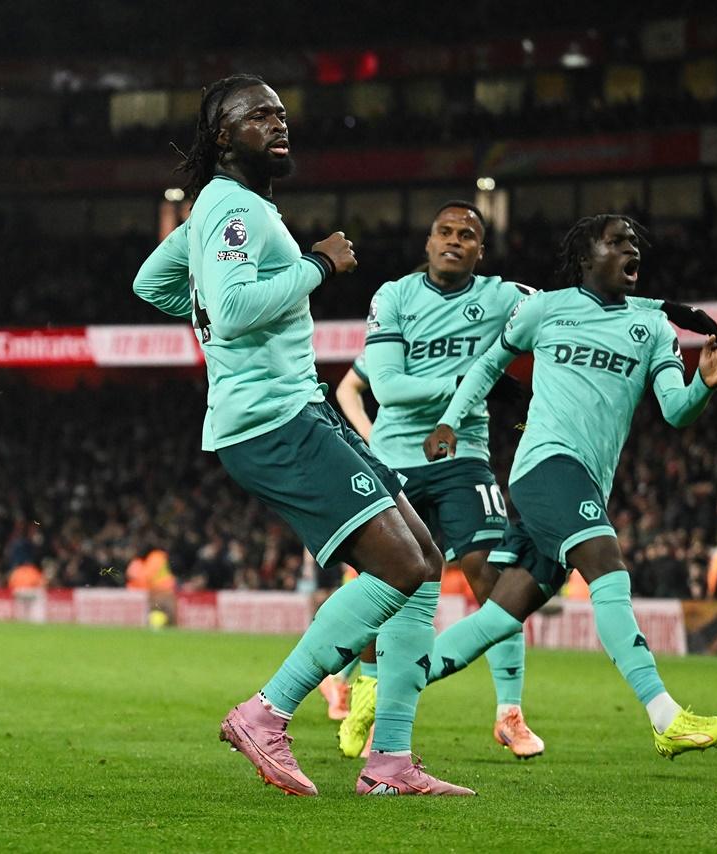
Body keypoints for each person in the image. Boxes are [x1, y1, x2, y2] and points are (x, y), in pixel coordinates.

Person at [131, 74, 472, 797]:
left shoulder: (224, 209)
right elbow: (228, 308)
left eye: (281, 113)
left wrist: (212, 325)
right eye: (258, 115)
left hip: (298, 407)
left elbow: (155, 287)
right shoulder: (231, 206)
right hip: (271, 420)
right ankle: (267, 713)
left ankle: (389, 762)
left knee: (424, 557)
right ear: (223, 135)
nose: (278, 123)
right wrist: (319, 265)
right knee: (399, 566)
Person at [338, 202, 717, 761]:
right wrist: (450, 416)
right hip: (536, 465)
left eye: (634, 241)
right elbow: (484, 368)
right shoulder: (538, 308)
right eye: (617, 240)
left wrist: (706, 384)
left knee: (498, 609)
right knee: (607, 572)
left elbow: (676, 410)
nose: (630, 248)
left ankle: (404, 690)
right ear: (586, 256)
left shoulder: (651, 327)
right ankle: (665, 715)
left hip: (577, 477)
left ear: (482, 249)